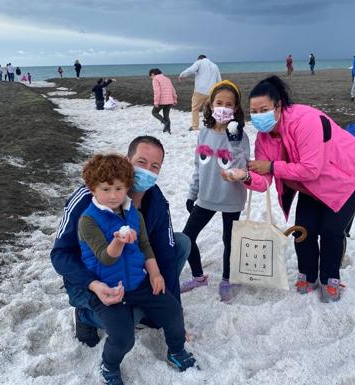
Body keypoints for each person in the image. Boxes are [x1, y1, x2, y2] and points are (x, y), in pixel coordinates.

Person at [222, 76, 355, 303]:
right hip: (311, 186)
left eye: (264, 109)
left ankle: (330, 277)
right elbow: (264, 181)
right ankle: (308, 274)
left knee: (331, 231)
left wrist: (272, 166)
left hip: (351, 177)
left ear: (279, 106)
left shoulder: (305, 120)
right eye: (254, 111)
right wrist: (243, 175)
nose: (258, 115)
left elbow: (311, 169)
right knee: (303, 230)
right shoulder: (263, 139)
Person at [51, 136, 192, 348]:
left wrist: (173, 316)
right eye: (141, 162)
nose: (147, 171)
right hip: (92, 276)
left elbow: (165, 255)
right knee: (128, 319)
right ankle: (85, 315)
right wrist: (93, 284)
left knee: (180, 243)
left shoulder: (157, 202)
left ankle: (145, 309)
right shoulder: (87, 199)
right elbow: (60, 255)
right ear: (127, 161)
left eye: (155, 166)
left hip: (131, 274)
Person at [77, 153, 197, 385]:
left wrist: (154, 273)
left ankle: (176, 352)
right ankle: (109, 366)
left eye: (119, 188)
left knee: (172, 311)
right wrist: (118, 242)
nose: (113, 195)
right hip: (107, 289)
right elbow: (105, 258)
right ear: (92, 189)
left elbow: (145, 245)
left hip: (137, 282)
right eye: (106, 189)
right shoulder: (88, 221)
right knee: (123, 338)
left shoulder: (133, 213)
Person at [181, 80, 250, 302]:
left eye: (229, 104)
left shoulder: (241, 136)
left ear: (236, 108)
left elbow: (242, 167)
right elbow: (198, 167)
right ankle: (199, 277)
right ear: (211, 105)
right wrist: (193, 193)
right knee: (187, 237)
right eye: (219, 102)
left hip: (232, 198)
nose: (223, 107)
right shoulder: (204, 134)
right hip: (206, 196)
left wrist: (235, 143)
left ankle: (227, 279)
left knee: (229, 240)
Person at [178, 54, 221, 131]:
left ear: (199, 59)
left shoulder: (199, 62)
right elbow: (219, 80)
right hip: (211, 92)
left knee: (195, 108)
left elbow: (191, 70)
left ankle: (195, 126)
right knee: (210, 109)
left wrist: (182, 75)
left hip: (200, 90)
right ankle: (212, 124)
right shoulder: (215, 66)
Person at [149, 68, 177, 134]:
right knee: (166, 116)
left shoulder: (155, 79)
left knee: (154, 112)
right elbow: (173, 90)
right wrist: (175, 99)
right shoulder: (167, 79)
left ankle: (165, 123)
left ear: (153, 74)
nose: (151, 78)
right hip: (170, 101)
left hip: (162, 101)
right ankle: (168, 130)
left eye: (150, 76)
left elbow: (157, 91)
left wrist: (156, 102)